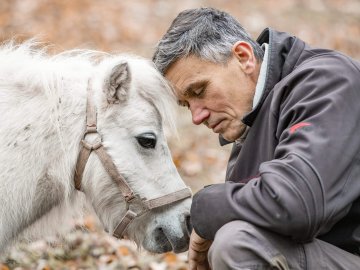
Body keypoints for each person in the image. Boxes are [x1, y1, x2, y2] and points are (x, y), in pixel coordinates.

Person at [153, 7, 360, 270]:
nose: (196, 116)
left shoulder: (328, 82)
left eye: (199, 90)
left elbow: (296, 203)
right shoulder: (252, 118)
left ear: (243, 57)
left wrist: (205, 208)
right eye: (186, 104)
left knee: (237, 245)